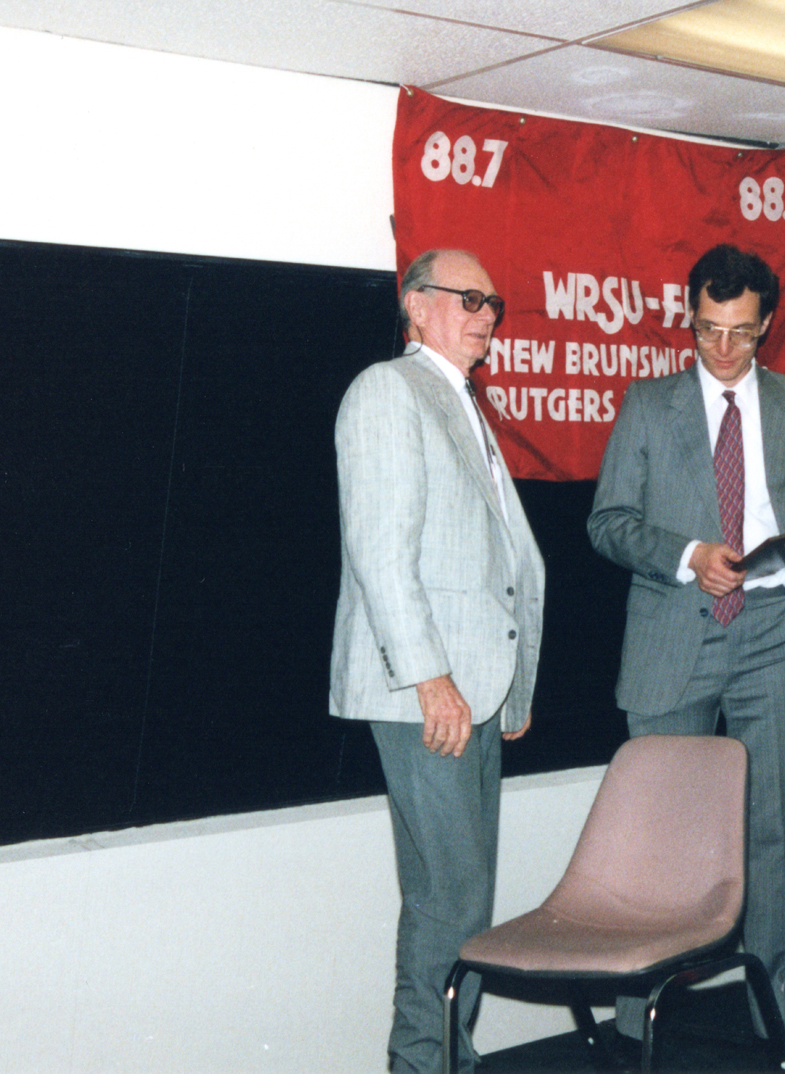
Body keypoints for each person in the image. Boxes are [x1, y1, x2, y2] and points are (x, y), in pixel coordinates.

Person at [587, 243, 785, 1045]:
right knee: (657, 842)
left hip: (775, 630)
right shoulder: (647, 404)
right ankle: (637, 1031)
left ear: (767, 322)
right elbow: (608, 524)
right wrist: (688, 556)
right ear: (689, 318)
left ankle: (783, 1025)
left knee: (774, 833)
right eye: (706, 331)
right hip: (677, 635)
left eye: (740, 332)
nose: (723, 350)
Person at [329, 249, 545, 1074]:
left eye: (493, 300)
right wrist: (431, 679)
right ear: (415, 306)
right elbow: (381, 554)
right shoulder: (389, 390)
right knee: (451, 898)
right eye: (467, 299)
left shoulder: (458, 402)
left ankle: (441, 1058)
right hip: (428, 692)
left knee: (458, 897)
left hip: (470, 691)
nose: (486, 313)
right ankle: (426, 1064)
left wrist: (509, 685)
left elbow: (498, 563)